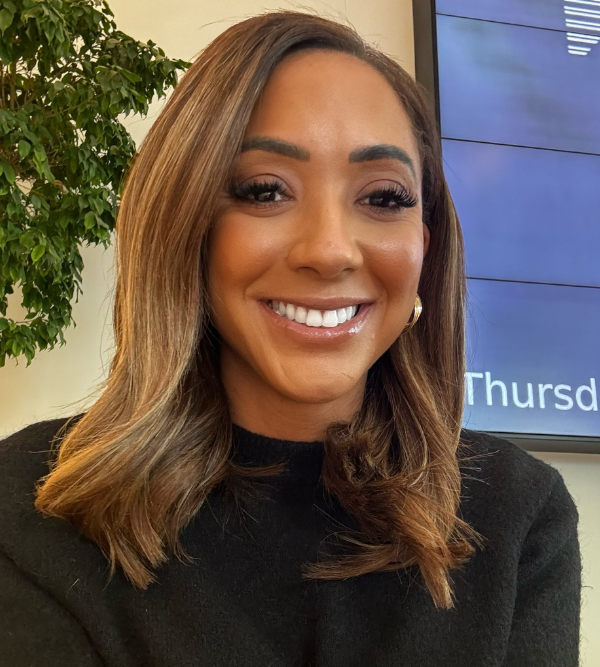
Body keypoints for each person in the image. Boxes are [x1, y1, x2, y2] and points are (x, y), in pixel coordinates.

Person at [0, 11, 581, 667]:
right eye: (265, 189)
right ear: (187, 228)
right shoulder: (29, 508)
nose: (330, 250)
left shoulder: (517, 514)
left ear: (427, 244)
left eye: (384, 197)